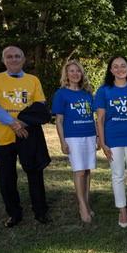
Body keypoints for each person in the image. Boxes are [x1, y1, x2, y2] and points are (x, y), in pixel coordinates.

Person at [0, 46, 50, 228]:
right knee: (7, 177)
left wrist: (22, 123)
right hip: (3, 135)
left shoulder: (33, 80)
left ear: (23, 59)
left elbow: (40, 106)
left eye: (17, 56)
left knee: (35, 173)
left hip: (28, 133)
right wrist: (13, 123)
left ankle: (40, 211)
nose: (13, 59)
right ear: (3, 60)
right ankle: (14, 213)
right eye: (9, 56)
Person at [95, 56, 127, 228]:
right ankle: (122, 211)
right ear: (111, 70)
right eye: (115, 66)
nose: (120, 69)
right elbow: (100, 119)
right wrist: (102, 143)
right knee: (117, 175)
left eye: (123, 66)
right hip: (113, 139)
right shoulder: (104, 91)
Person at [52, 60, 96, 224]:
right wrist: (63, 142)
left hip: (89, 135)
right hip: (73, 137)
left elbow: (93, 117)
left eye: (78, 71)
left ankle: (87, 202)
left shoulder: (87, 93)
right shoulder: (61, 94)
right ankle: (82, 207)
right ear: (66, 74)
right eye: (71, 71)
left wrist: (97, 136)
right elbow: (59, 120)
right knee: (79, 171)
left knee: (87, 170)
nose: (75, 74)